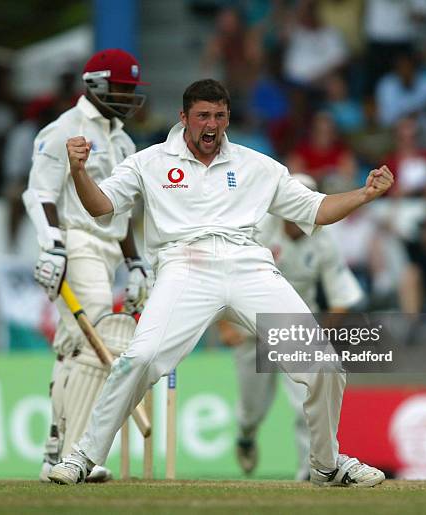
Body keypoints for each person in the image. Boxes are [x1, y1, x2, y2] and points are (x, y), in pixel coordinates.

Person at [49, 79, 393, 487]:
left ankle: (326, 465)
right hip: (184, 265)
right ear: (184, 118)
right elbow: (101, 207)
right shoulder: (150, 162)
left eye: (219, 115)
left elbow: (317, 209)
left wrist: (365, 194)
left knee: (323, 365)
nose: (211, 125)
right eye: (202, 116)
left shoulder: (257, 166)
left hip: (250, 264)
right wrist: (78, 171)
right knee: (140, 359)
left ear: (228, 118)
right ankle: (84, 456)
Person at [22, 48, 152, 483]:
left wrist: (136, 264)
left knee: (76, 347)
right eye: (123, 88)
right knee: (94, 326)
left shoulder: (123, 140)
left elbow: (124, 209)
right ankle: (72, 452)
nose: (130, 96)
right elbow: (38, 193)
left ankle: (59, 452)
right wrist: (52, 247)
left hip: (111, 248)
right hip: (75, 241)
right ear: (97, 85)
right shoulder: (64, 129)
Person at [217, 174, 364, 481]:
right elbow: (224, 276)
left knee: (304, 405)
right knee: (251, 409)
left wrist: (319, 333)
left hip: (296, 329)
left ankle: (308, 473)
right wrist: (224, 323)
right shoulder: (258, 231)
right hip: (252, 328)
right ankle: (246, 435)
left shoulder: (323, 241)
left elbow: (342, 298)